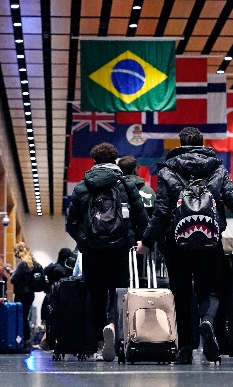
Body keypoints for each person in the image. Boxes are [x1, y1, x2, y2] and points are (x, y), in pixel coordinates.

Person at [135, 127, 233, 364]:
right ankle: (207, 322)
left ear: (180, 143)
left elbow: (162, 212)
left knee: (181, 295)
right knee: (211, 291)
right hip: (209, 241)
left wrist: (147, 241)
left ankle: (184, 349)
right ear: (202, 144)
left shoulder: (167, 171)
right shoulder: (217, 169)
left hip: (176, 245)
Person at [65, 142, 149, 362]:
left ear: (94, 162)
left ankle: (100, 346)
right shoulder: (126, 184)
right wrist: (138, 240)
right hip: (121, 248)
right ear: (115, 161)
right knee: (120, 293)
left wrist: (84, 241)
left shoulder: (82, 187)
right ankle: (114, 327)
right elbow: (141, 218)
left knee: (96, 295)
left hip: (93, 250)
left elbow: (71, 224)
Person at [118, 155, 157, 279]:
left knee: (119, 282)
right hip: (143, 245)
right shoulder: (149, 192)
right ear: (136, 170)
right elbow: (155, 218)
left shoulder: (115, 190)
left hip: (118, 243)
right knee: (141, 280)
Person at [37, 247, 75, 352]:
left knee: (49, 323)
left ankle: (47, 342)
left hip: (48, 299)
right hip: (58, 300)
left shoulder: (51, 267)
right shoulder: (62, 270)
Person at [10, 241, 44, 353]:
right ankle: (27, 341)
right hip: (30, 294)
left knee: (22, 318)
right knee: (25, 318)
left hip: (21, 294)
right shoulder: (31, 263)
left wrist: (11, 273)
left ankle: (24, 341)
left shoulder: (22, 264)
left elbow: (13, 279)